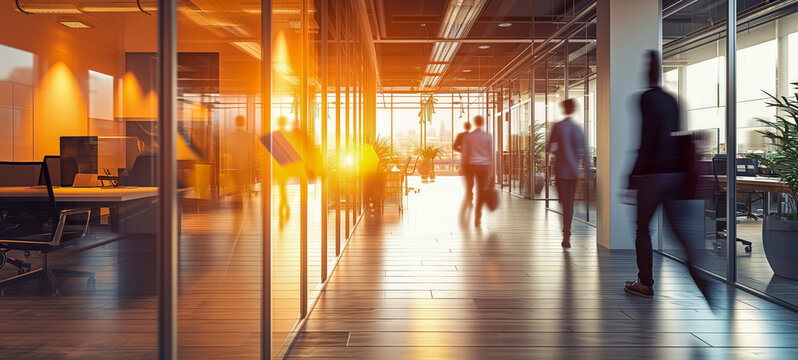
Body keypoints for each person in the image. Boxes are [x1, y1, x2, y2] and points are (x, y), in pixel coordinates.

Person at [624, 50, 709, 299]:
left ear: (646, 72)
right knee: (680, 231)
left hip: (652, 176)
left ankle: (645, 283)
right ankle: (698, 274)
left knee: (642, 229)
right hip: (676, 175)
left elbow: (647, 138)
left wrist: (632, 175)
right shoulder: (674, 100)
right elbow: (676, 138)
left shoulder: (645, 99)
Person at [547, 99, 587, 248]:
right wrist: (584, 171)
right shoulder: (578, 129)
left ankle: (566, 234)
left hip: (561, 171)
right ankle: (567, 233)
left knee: (564, 202)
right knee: (570, 203)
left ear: (564, 109)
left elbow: (550, 147)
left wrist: (559, 149)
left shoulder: (557, 127)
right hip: (574, 171)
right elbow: (583, 152)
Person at [461, 115, 492, 227]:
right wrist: (491, 171)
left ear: (475, 122)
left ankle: (469, 195)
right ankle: (478, 216)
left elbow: (465, 153)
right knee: (481, 191)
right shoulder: (487, 136)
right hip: (484, 166)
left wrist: (462, 167)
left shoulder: (469, 137)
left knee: (470, 186)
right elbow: (490, 154)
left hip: (471, 165)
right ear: (482, 123)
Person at [453, 122, 473, 210]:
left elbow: (454, 147)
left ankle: (469, 193)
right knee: (471, 178)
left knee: (467, 177)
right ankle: (469, 193)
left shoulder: (461, 135)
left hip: (465, 159)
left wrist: (462, 150)